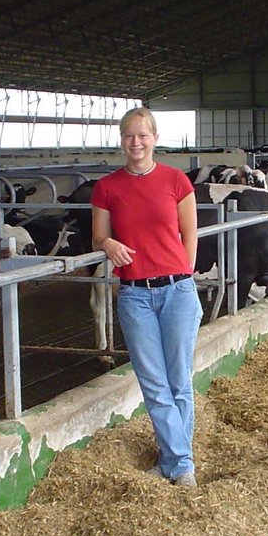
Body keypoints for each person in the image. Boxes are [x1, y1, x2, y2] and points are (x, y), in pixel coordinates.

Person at [91, 107, 202, 487]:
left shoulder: (176, 181)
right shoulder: (106, 187)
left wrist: (183, 276)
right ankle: (181, 464)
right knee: (154, 383)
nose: (135, 142)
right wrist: (107, 244)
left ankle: (174, 462)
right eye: (128, 135)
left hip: (177, 291)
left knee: (179, 383)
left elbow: (190, 235)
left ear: (155, 138)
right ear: (121, 140)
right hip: (135, 295)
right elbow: (98, 236)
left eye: (143, 135)